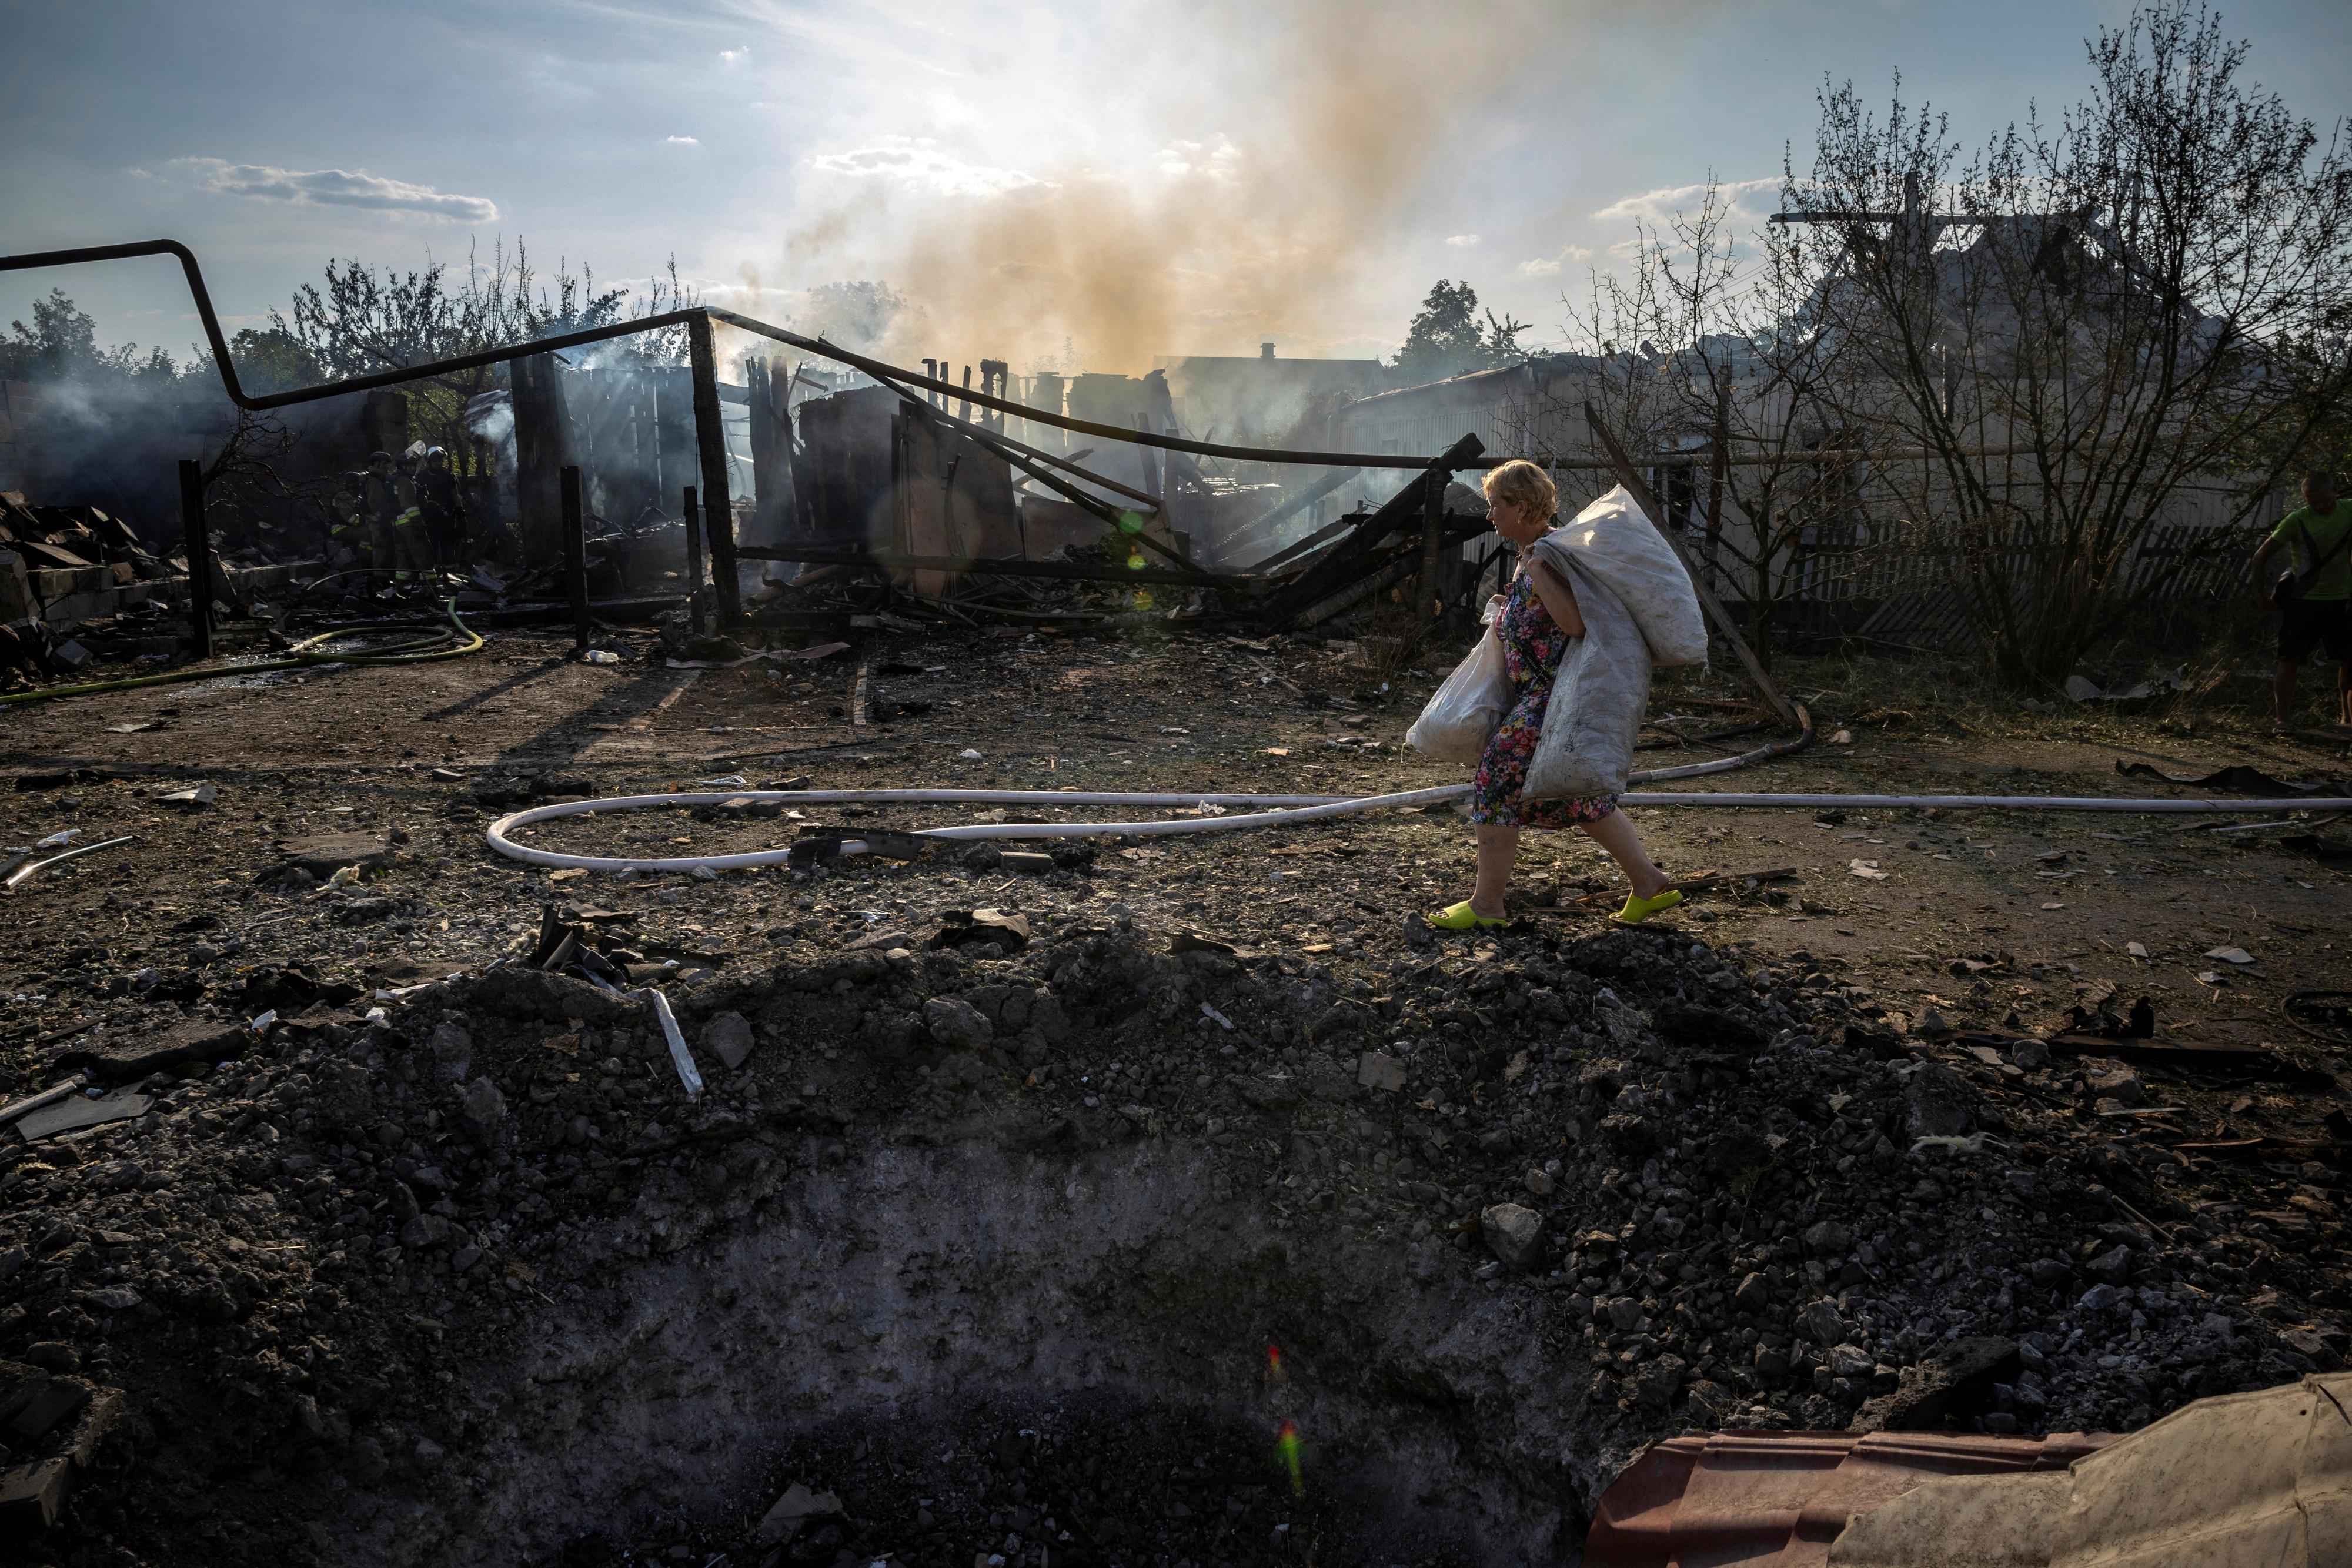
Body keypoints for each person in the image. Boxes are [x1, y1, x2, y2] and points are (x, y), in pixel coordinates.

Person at [1430, 459, 1681, 930]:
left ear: (1521, 507)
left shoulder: (1548, 555)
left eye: (1495, 505)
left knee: (1496, 779)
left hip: (1552, 699)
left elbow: (1573, 622)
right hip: (1540, 695)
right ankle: (1649, 884)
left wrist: (1538, 574)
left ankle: (1487, 905)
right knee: (1576, 796)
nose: (1489, 516)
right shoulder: (1534, 556)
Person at [2251, 469, 2352, 733]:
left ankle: (2347, 718)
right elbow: (2259, 558)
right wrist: (2261, 596)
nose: (2319, 506)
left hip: (2342, 600)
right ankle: (2282, 720)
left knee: (2349, 662)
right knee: (2290, 661)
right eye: (2312, 501)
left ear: (2335, 492)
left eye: (2324, 500)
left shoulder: (2349, 511)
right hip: (2302, 602)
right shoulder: (2296, 520)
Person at [417, 446, 466, 567]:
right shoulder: (421, 476)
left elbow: (455, 494)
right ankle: (433, 570)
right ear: (429, 461)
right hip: (429, 516)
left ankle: (450, 571)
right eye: (435, 461)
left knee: (448, 544)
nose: (438, 463)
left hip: (447, 516)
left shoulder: (448, 476)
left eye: (440, 460)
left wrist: (460, 512)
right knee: (431, 544)